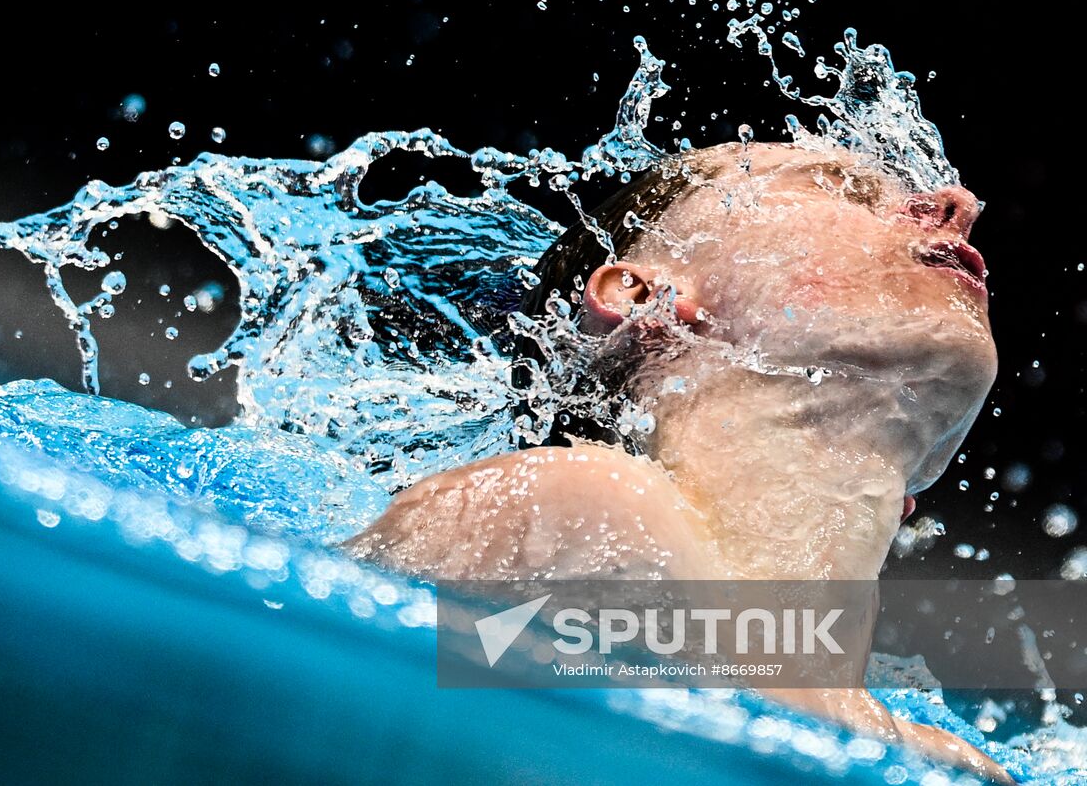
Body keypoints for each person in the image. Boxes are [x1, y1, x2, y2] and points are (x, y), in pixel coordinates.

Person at [343, 141, 1011, 783]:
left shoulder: (953, 766)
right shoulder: (568, 518)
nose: (958, 202)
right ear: (643, 299)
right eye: (843, 188)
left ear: (911, 490)